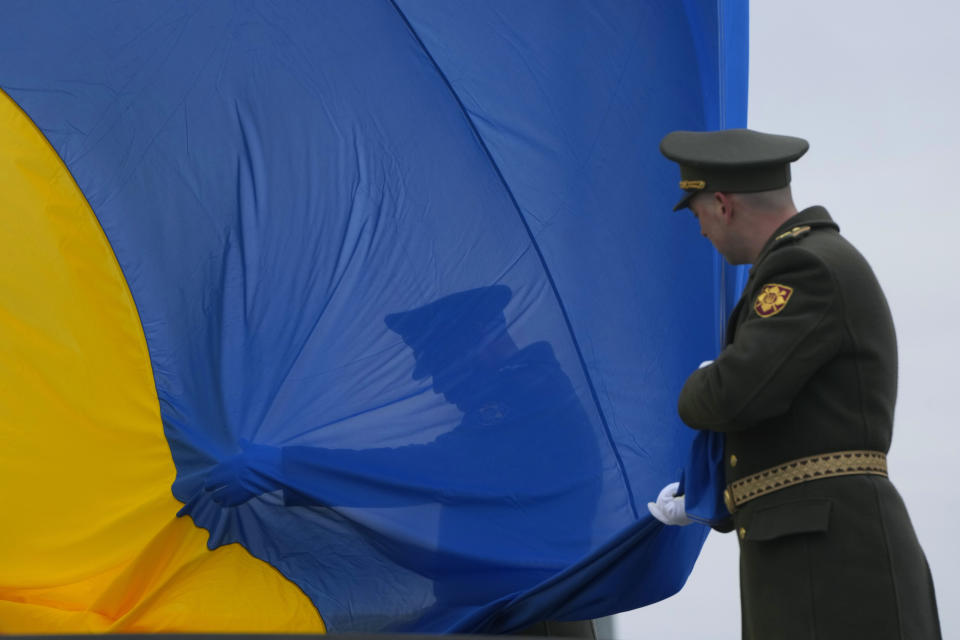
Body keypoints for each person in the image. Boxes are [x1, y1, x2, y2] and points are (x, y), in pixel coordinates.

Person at [650, 129, 940, 639]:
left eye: (697, 216)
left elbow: (735, 394)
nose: (701, 234)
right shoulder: (812, 261)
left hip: (827, 561)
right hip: (810, 554)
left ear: (722, 204)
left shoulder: (802, 267)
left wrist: (700, 384)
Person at [200, 285, 601, 637]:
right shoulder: (527, 393)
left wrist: (285, 468)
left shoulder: (532, 399)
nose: (440, 387)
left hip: (529, 617)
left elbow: (430, 470)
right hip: (504, 612)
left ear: (482, 340)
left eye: (442, 364)